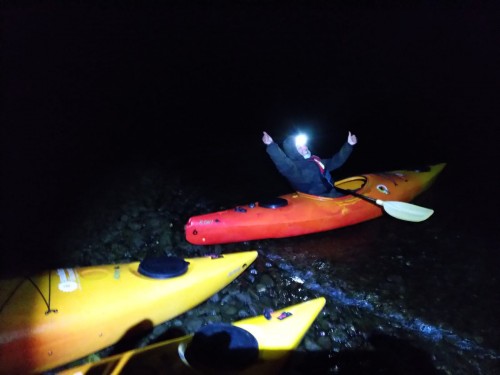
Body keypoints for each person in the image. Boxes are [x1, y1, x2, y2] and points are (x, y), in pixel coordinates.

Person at [262, 130, 358, 197]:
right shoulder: (295, 169)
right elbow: (284, 164)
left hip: (332, 193)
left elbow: (336, 161)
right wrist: (271, 145)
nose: (304, 147)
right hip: (316, 200)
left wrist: (349, 145)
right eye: (299, 147)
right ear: (293, 152)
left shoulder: (316, 161)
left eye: (304, 145)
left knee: (355, 193)